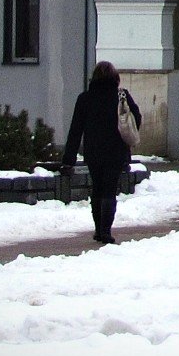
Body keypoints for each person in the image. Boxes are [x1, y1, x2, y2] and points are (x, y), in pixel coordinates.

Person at [63, 61, 139, 244]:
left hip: (94, 152)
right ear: (115, 77)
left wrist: (68, 159)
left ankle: (98, 229)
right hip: (116, 151)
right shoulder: (121, 96)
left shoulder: (85, 99)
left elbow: (75, 130)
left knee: (97, 188)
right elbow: (136, 118)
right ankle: (106, 230)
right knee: (109, 190)